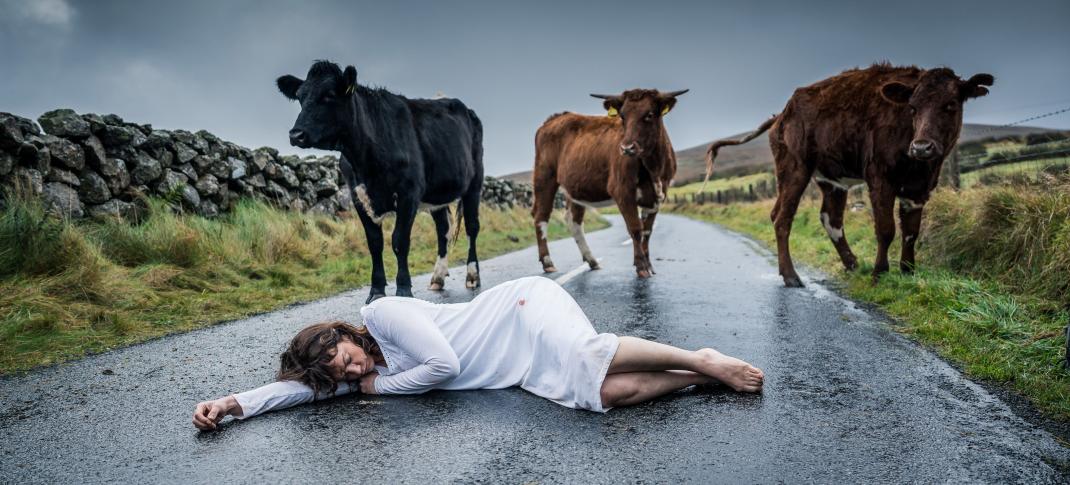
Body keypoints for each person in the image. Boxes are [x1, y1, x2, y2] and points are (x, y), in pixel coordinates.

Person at [193, 276, 763, 430]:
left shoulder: (382, 316)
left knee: (588, 354)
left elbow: (445, 366)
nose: (351, 370)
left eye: (344, 358)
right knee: (604, 396)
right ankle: (696, 378)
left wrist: (378, 388)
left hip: (519, 309)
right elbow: (292, 392)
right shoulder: (336, 375)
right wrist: (231, 403)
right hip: (514, 367)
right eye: (338, 374)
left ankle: (702, 355)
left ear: (345, 335)